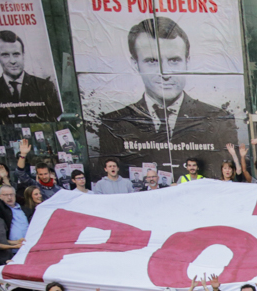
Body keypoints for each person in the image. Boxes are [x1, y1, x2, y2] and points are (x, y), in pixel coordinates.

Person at [94, 17, 238, 179]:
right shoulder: (113, 123)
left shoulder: (219, 120)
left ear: (187, 62)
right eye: (152, 61)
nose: (165, 73)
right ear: (135, 64)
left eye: (174, 60)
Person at [0, 30, 62, 125]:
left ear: (23, 55)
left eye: (16, 54)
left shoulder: (45, 86)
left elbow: (55, 119)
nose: (13, 61)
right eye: (5, 55)